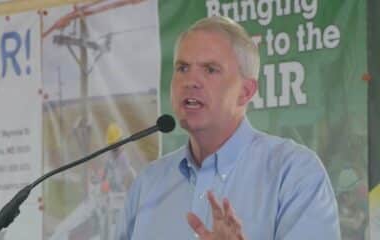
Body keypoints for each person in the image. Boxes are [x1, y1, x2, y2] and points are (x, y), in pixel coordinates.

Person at [115, 16, 341, 240]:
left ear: (246, 92)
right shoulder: (147, 185)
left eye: (210, 69)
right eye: (182, 68)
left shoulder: (294, 174)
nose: (190, 81)